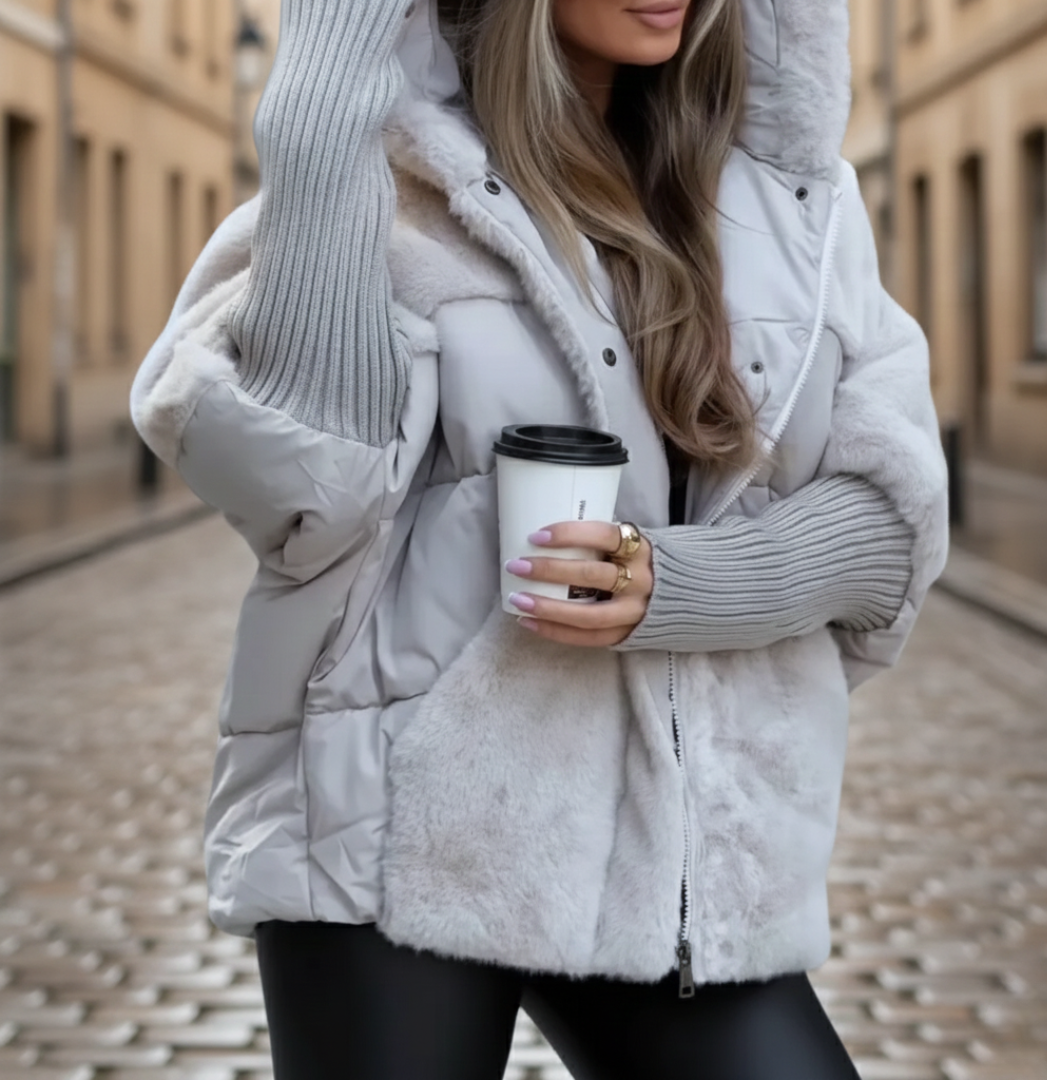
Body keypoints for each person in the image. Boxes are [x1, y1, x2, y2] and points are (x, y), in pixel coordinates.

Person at [130, 0, 949, 1075]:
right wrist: (317, 118)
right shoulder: (391, 188)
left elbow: (891, 523)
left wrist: (676, 583)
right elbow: (306, 491)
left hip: (672, 858)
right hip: (393, 838)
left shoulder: (794, 206)